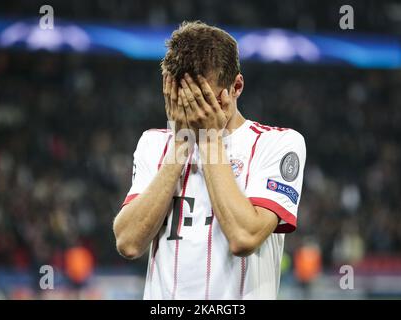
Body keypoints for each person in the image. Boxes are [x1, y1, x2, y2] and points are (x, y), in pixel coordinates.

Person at [113, 21, 306, 300]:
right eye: (182, 99)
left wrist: (209, 140)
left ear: (236, 86)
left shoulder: (278, 144)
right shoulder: (154, 143)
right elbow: (128, 242)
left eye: (203, 99)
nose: (192, 112)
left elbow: (244, 237)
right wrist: (180, 144)